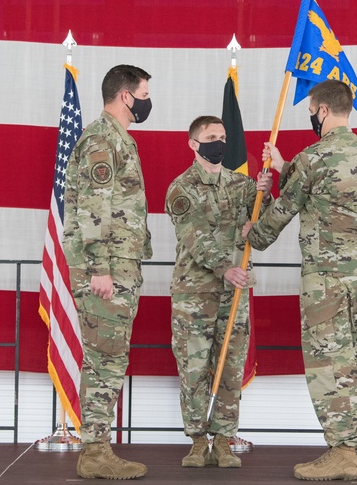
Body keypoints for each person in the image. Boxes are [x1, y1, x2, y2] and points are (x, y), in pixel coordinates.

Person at [242, 80, 357, 482]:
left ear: (322, 110)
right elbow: (329, 190)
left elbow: (284, 211)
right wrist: (286, 165)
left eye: (311, 109)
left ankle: (341, 452)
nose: (310, 115)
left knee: (328, 363)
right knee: (351, 361)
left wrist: (253, 233)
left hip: (326, 278)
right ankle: (347, 447)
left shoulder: (314, 157)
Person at [63, 64, 154, 480]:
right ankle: (95, 452)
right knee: (105, 358)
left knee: (108, 358)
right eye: (144, 93)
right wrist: (100, 268)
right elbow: (94, 207)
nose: (147, 101)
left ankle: (97, 446)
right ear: (124, 95)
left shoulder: (117, 139)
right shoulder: (103, 138)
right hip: (106, 270)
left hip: (120, 266)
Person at [165, 115, 272, 469]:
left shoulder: (240, 185)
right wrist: (225, 266)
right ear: (194, 144)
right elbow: (193, 236)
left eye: (223, 136)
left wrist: (265, 192)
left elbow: (261, 223)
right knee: (194, 368)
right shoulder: (181, 188)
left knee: (229, 365)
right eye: (211, 137)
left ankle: (224, 440)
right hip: (195, 294)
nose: (220, 142)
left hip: (234, 292)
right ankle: (198, 441)